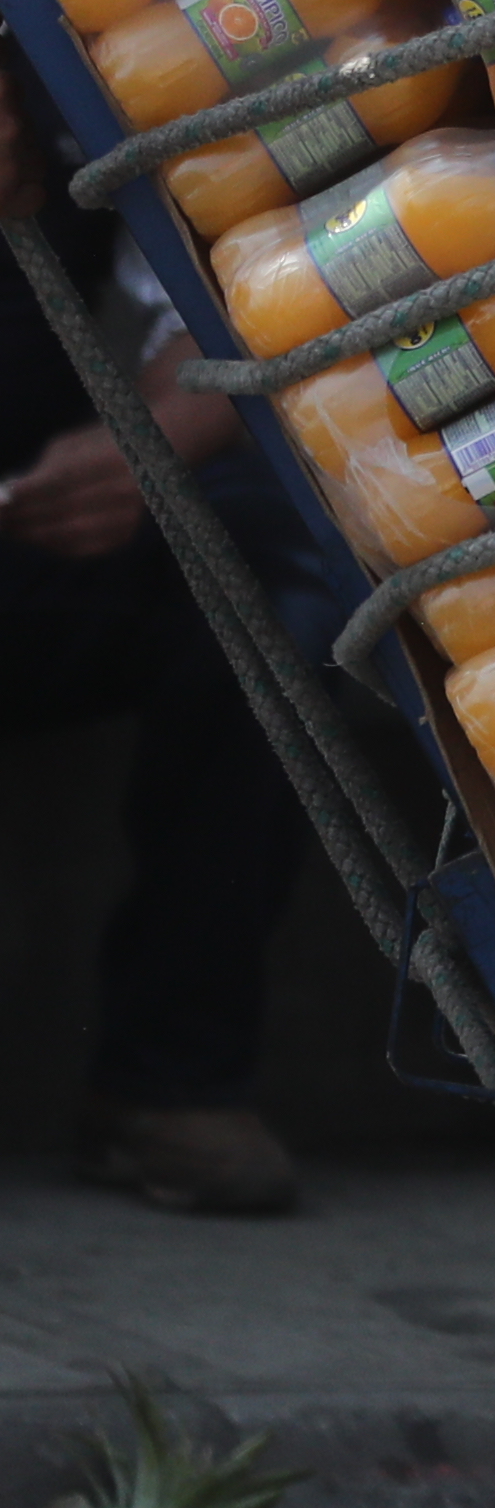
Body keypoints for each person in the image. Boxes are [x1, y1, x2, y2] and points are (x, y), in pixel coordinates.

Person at [0, 84, 322, 1215]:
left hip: (37, 526)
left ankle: (167, 1082)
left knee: (258, 580)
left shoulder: (96, 43)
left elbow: (248, 279)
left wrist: (148, 442)